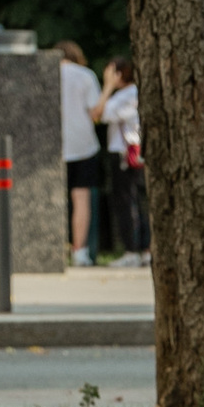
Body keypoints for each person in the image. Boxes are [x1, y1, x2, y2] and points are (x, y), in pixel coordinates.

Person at [59, 40, 105, 263]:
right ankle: (79, 251)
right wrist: (109, 89)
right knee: (81, 199)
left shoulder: (47, 73)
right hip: (83, 145)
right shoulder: (85, 75)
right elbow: (95, 113)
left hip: (54, 145)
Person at [102, 58, 149, 265]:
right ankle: (145, 248)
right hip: (136, 152)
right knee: (139, 201)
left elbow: (100, 113)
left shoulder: (123, 96)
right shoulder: (139, 93)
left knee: (125, 201)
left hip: (123, 154)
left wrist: (108, 87)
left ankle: (131, 249)